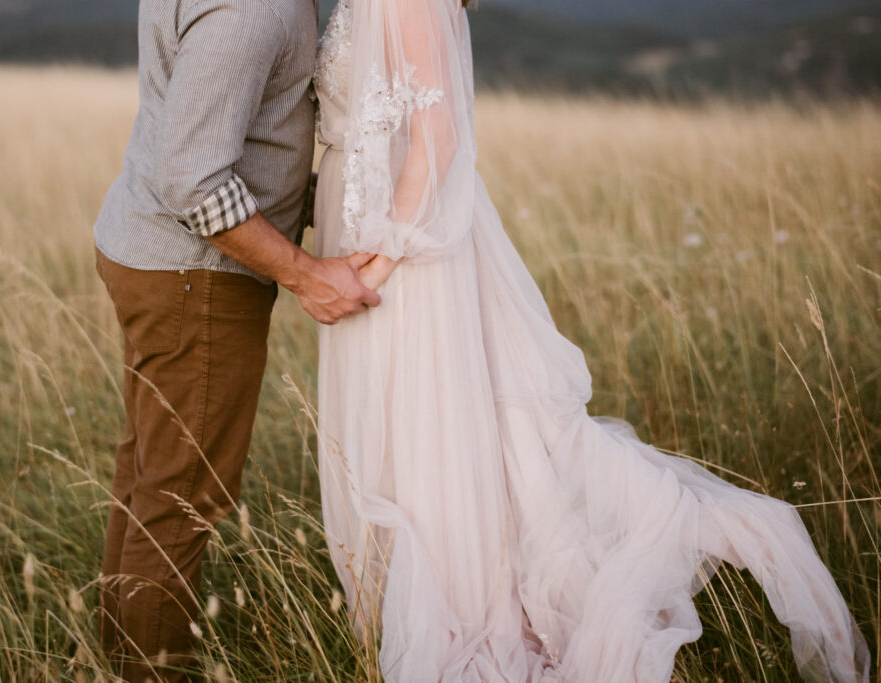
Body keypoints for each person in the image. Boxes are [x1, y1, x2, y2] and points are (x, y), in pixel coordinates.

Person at [311, 0, 871, 681]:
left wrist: (378, 257)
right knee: (416, 440)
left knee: (438, 445)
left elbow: (438, 138)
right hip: (367, 236)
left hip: (405, 257)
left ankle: (462, 607)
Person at [91, 0, 379, 680]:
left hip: (158, 260)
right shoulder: (253, 8)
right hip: (196, 280)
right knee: (180, 503)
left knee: (149, 484)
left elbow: (245, 133)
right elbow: (194, 179)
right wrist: (306, 275)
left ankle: (118, 664)